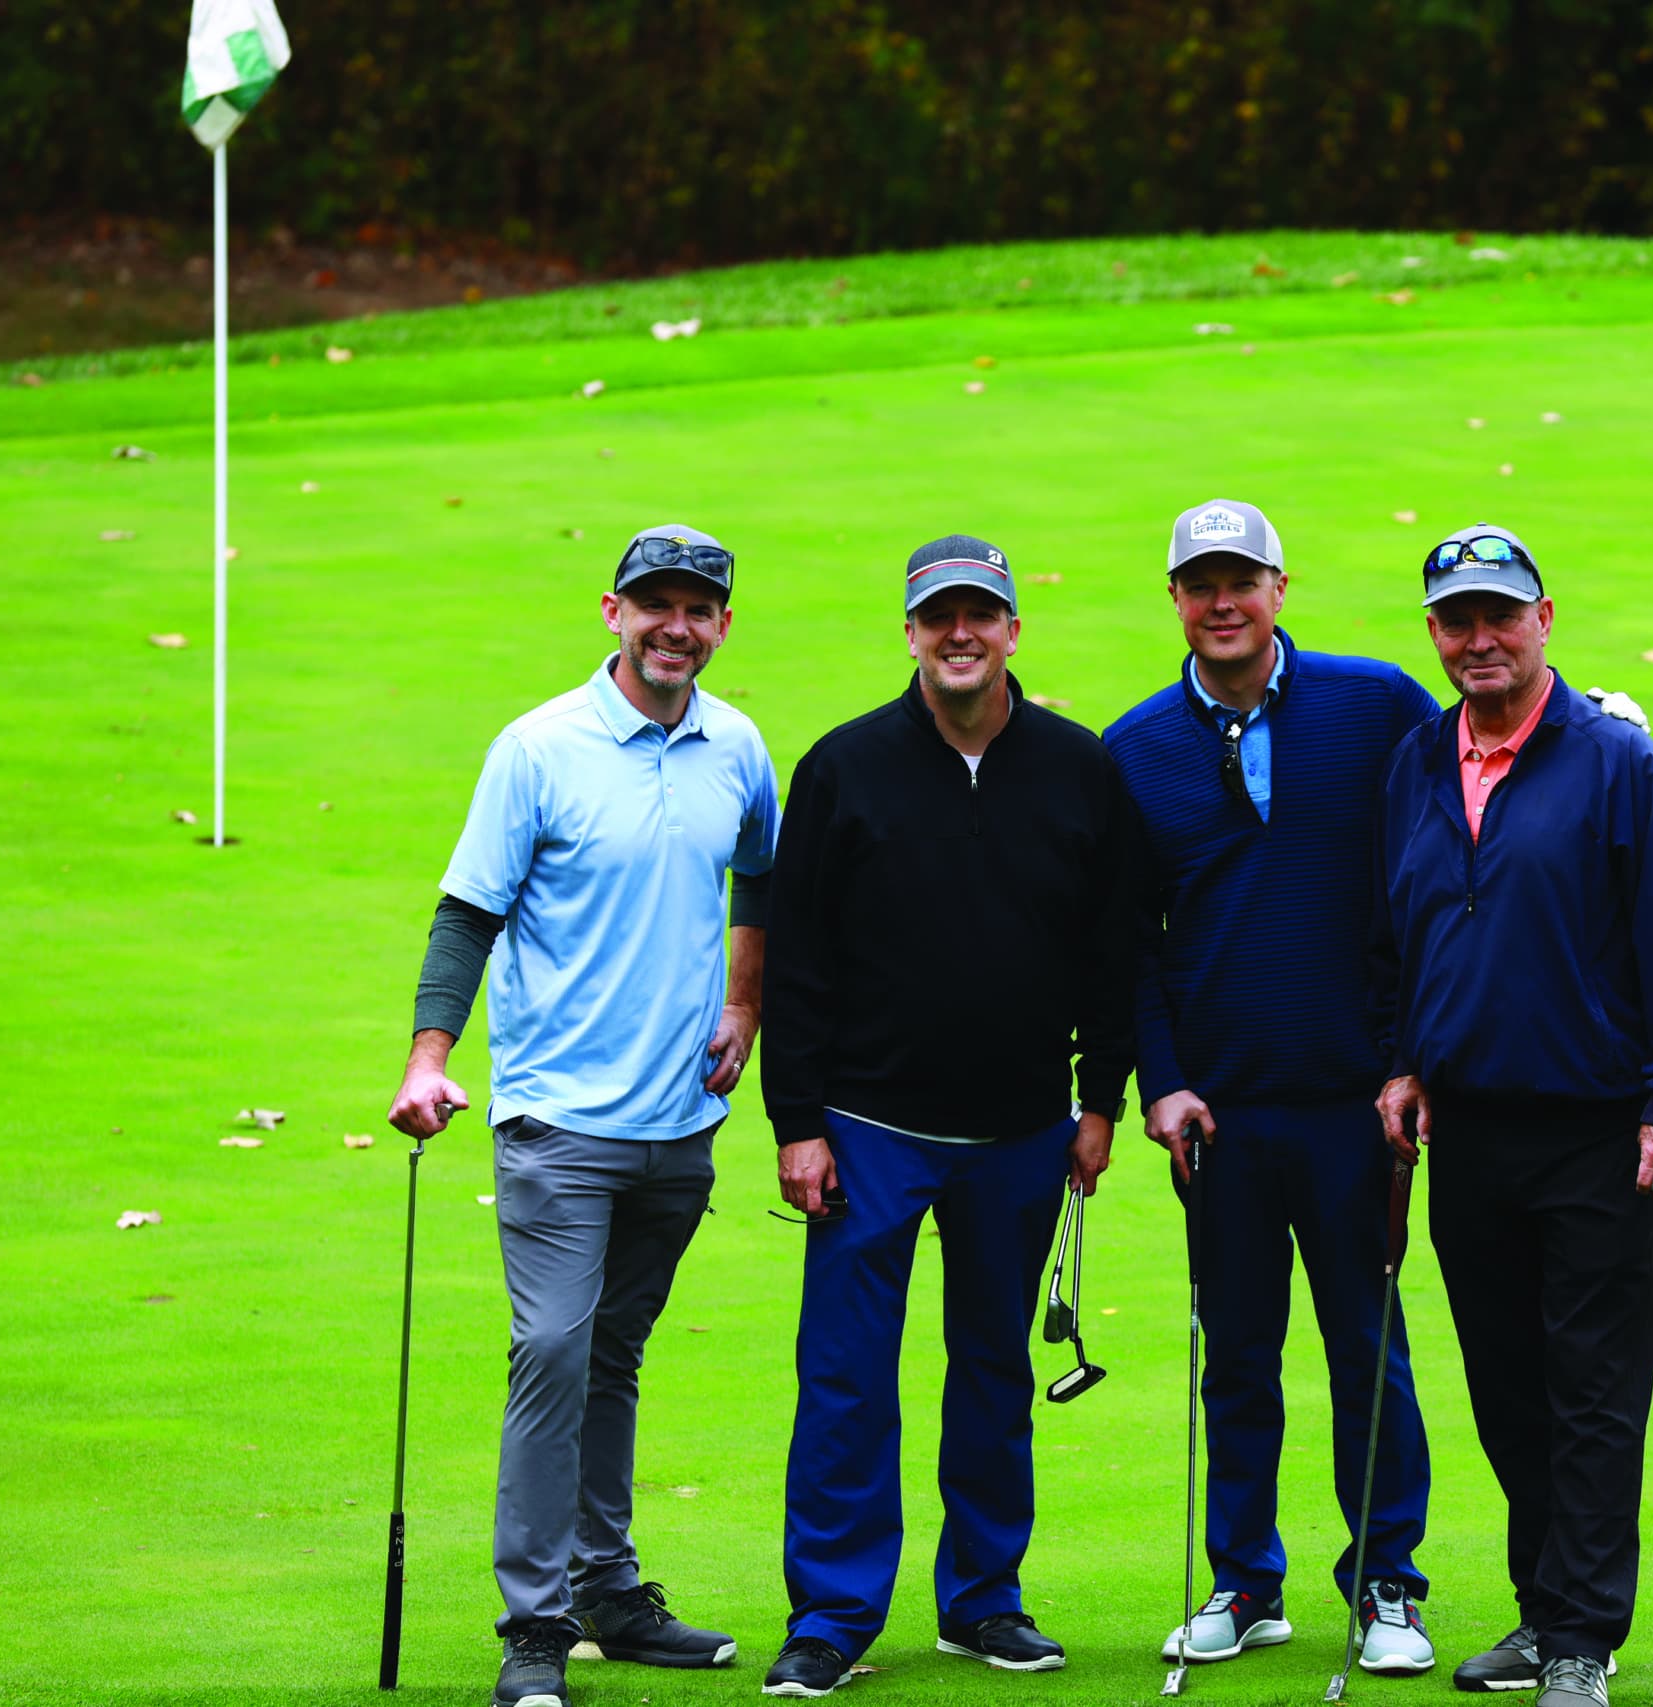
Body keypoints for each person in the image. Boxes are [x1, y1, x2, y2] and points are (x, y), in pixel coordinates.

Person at [387, 524, 779, 1707]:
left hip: (681, 1123)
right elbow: (468, 914)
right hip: (558, 1123)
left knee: (613, 1354)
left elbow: (760, 872)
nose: (675, 626)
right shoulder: (538, 749)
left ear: (720, 623)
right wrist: (428, 1056)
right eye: (653, 604)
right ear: (612, 611)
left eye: (697, 608)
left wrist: (743, 1002)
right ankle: (535, 1626)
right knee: (553, 1352)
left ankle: (610, 1590)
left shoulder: (738, 746)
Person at [756, 534, 1145, 1699]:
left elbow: (1112, 951)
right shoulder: (843, 767)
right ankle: (832, 1615)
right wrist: (797, 1122)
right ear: (912, 631)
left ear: (1014, 630)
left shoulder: (1078, 769)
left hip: (1023, 1132)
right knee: (845, 1378)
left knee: (991, 1374)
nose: (959, 634)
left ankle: (983, 1601)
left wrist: (1100, 1100)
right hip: (868, 1128)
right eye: (939, 618)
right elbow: (801, 959)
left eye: (981, 615)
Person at [1369, 523, 1653, 1707]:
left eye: (1499, 614)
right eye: (1456, 619)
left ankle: (1582, 1635)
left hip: (1599, 1130)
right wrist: (1404, 1061)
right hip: (1468, 1130)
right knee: (1507, 1386)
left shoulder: (1621, 764)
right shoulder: (1421, 761)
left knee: (1590, 1390)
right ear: (1433, 632)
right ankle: (1542, 1609)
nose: (1479, 638)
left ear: (1544, 619)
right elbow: (1402, 933)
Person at [1102, 499, 1441, 1675]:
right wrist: (1163, 1082)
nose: (1223, 601)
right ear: (1177, 602)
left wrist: (1411, 1058)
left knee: (1368, 1346)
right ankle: (1246, 1582)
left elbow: (1438, 866)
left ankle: (1388, 1583)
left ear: (1280, 588)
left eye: (1242, 578)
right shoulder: (1134, 748)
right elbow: (1131, 946)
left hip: (1359, 1102)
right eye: (1200, 583)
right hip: (1220, 1118)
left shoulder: (1378, 704)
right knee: (1236, 1353)